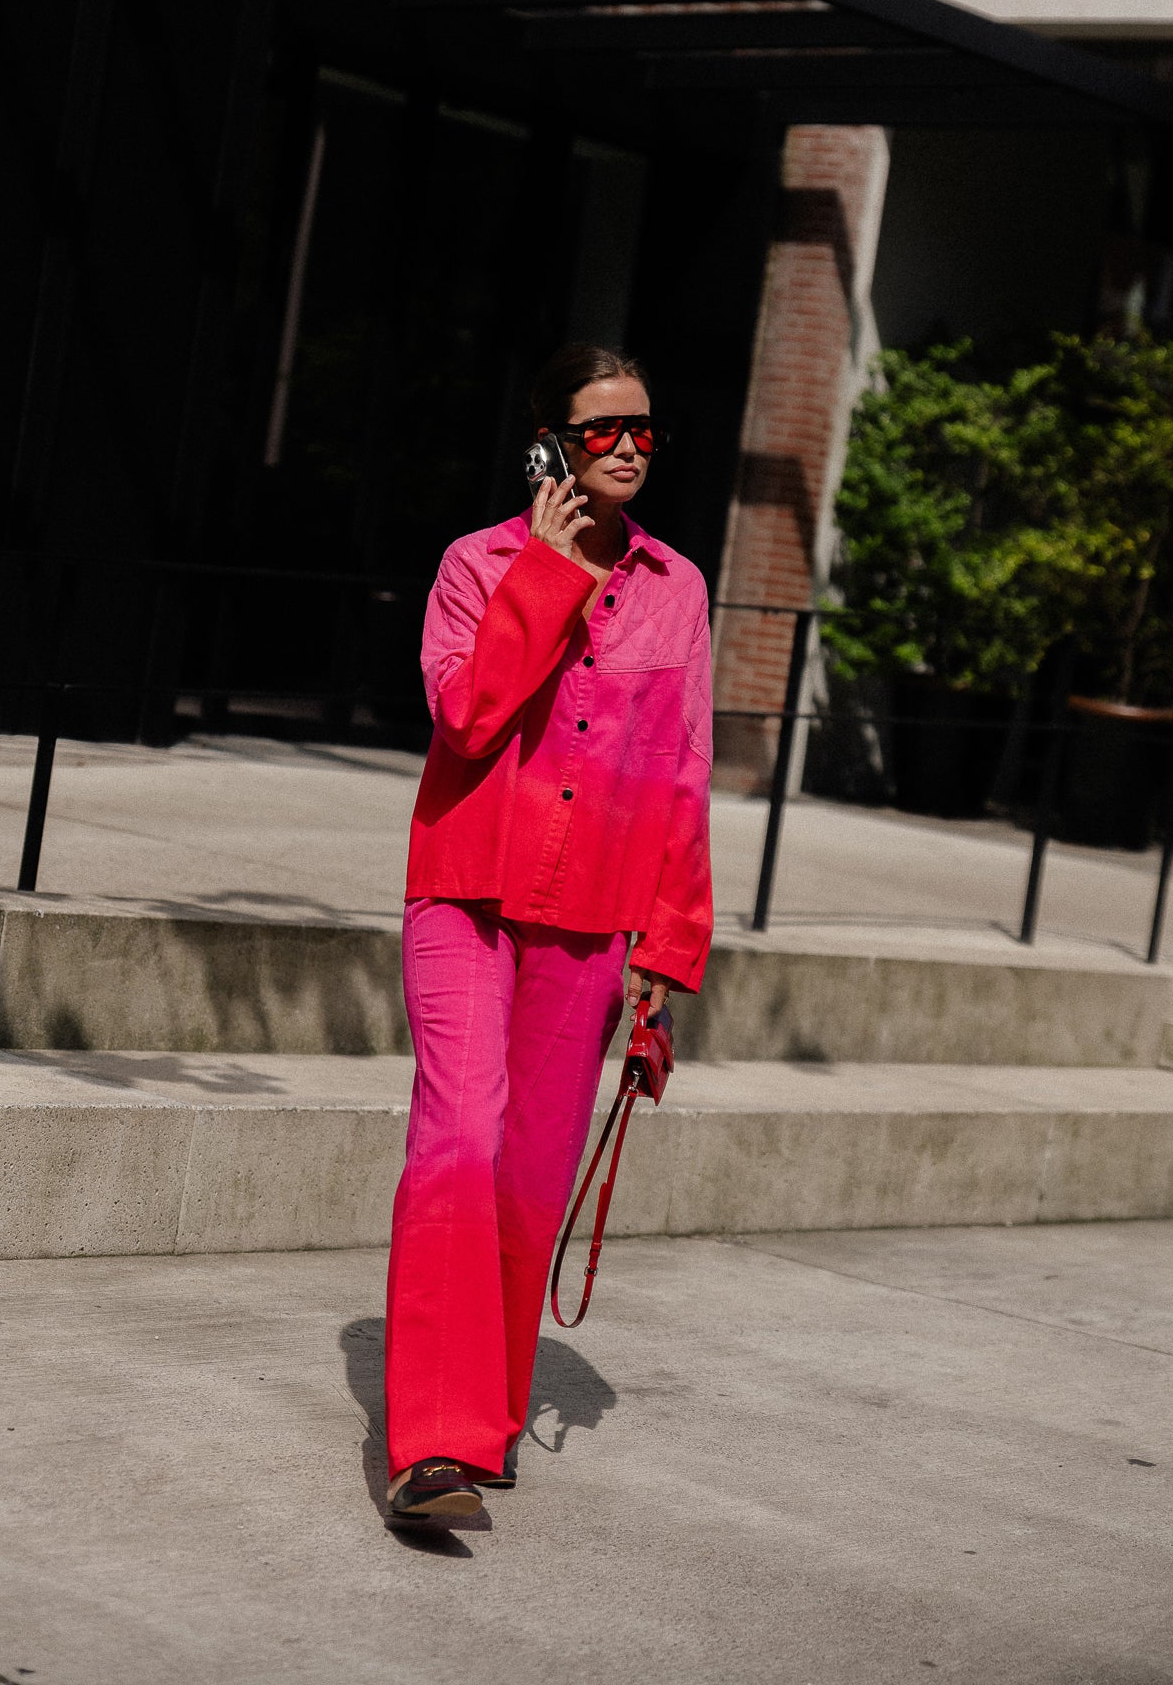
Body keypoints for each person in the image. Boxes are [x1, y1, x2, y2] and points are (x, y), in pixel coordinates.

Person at [384, 343, 713, 1526]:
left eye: (643, 429)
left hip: (588, 917)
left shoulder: (678, 587)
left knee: (528, 1181)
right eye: (600, 427)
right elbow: (466, 715)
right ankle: (432, 1440)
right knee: (460, 1143)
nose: (627, 445)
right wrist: (548, 569)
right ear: (548, 445)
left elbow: (681, 772)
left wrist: (665, 961)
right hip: (464, 892)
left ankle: (494, 1410)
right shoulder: (475, 566)